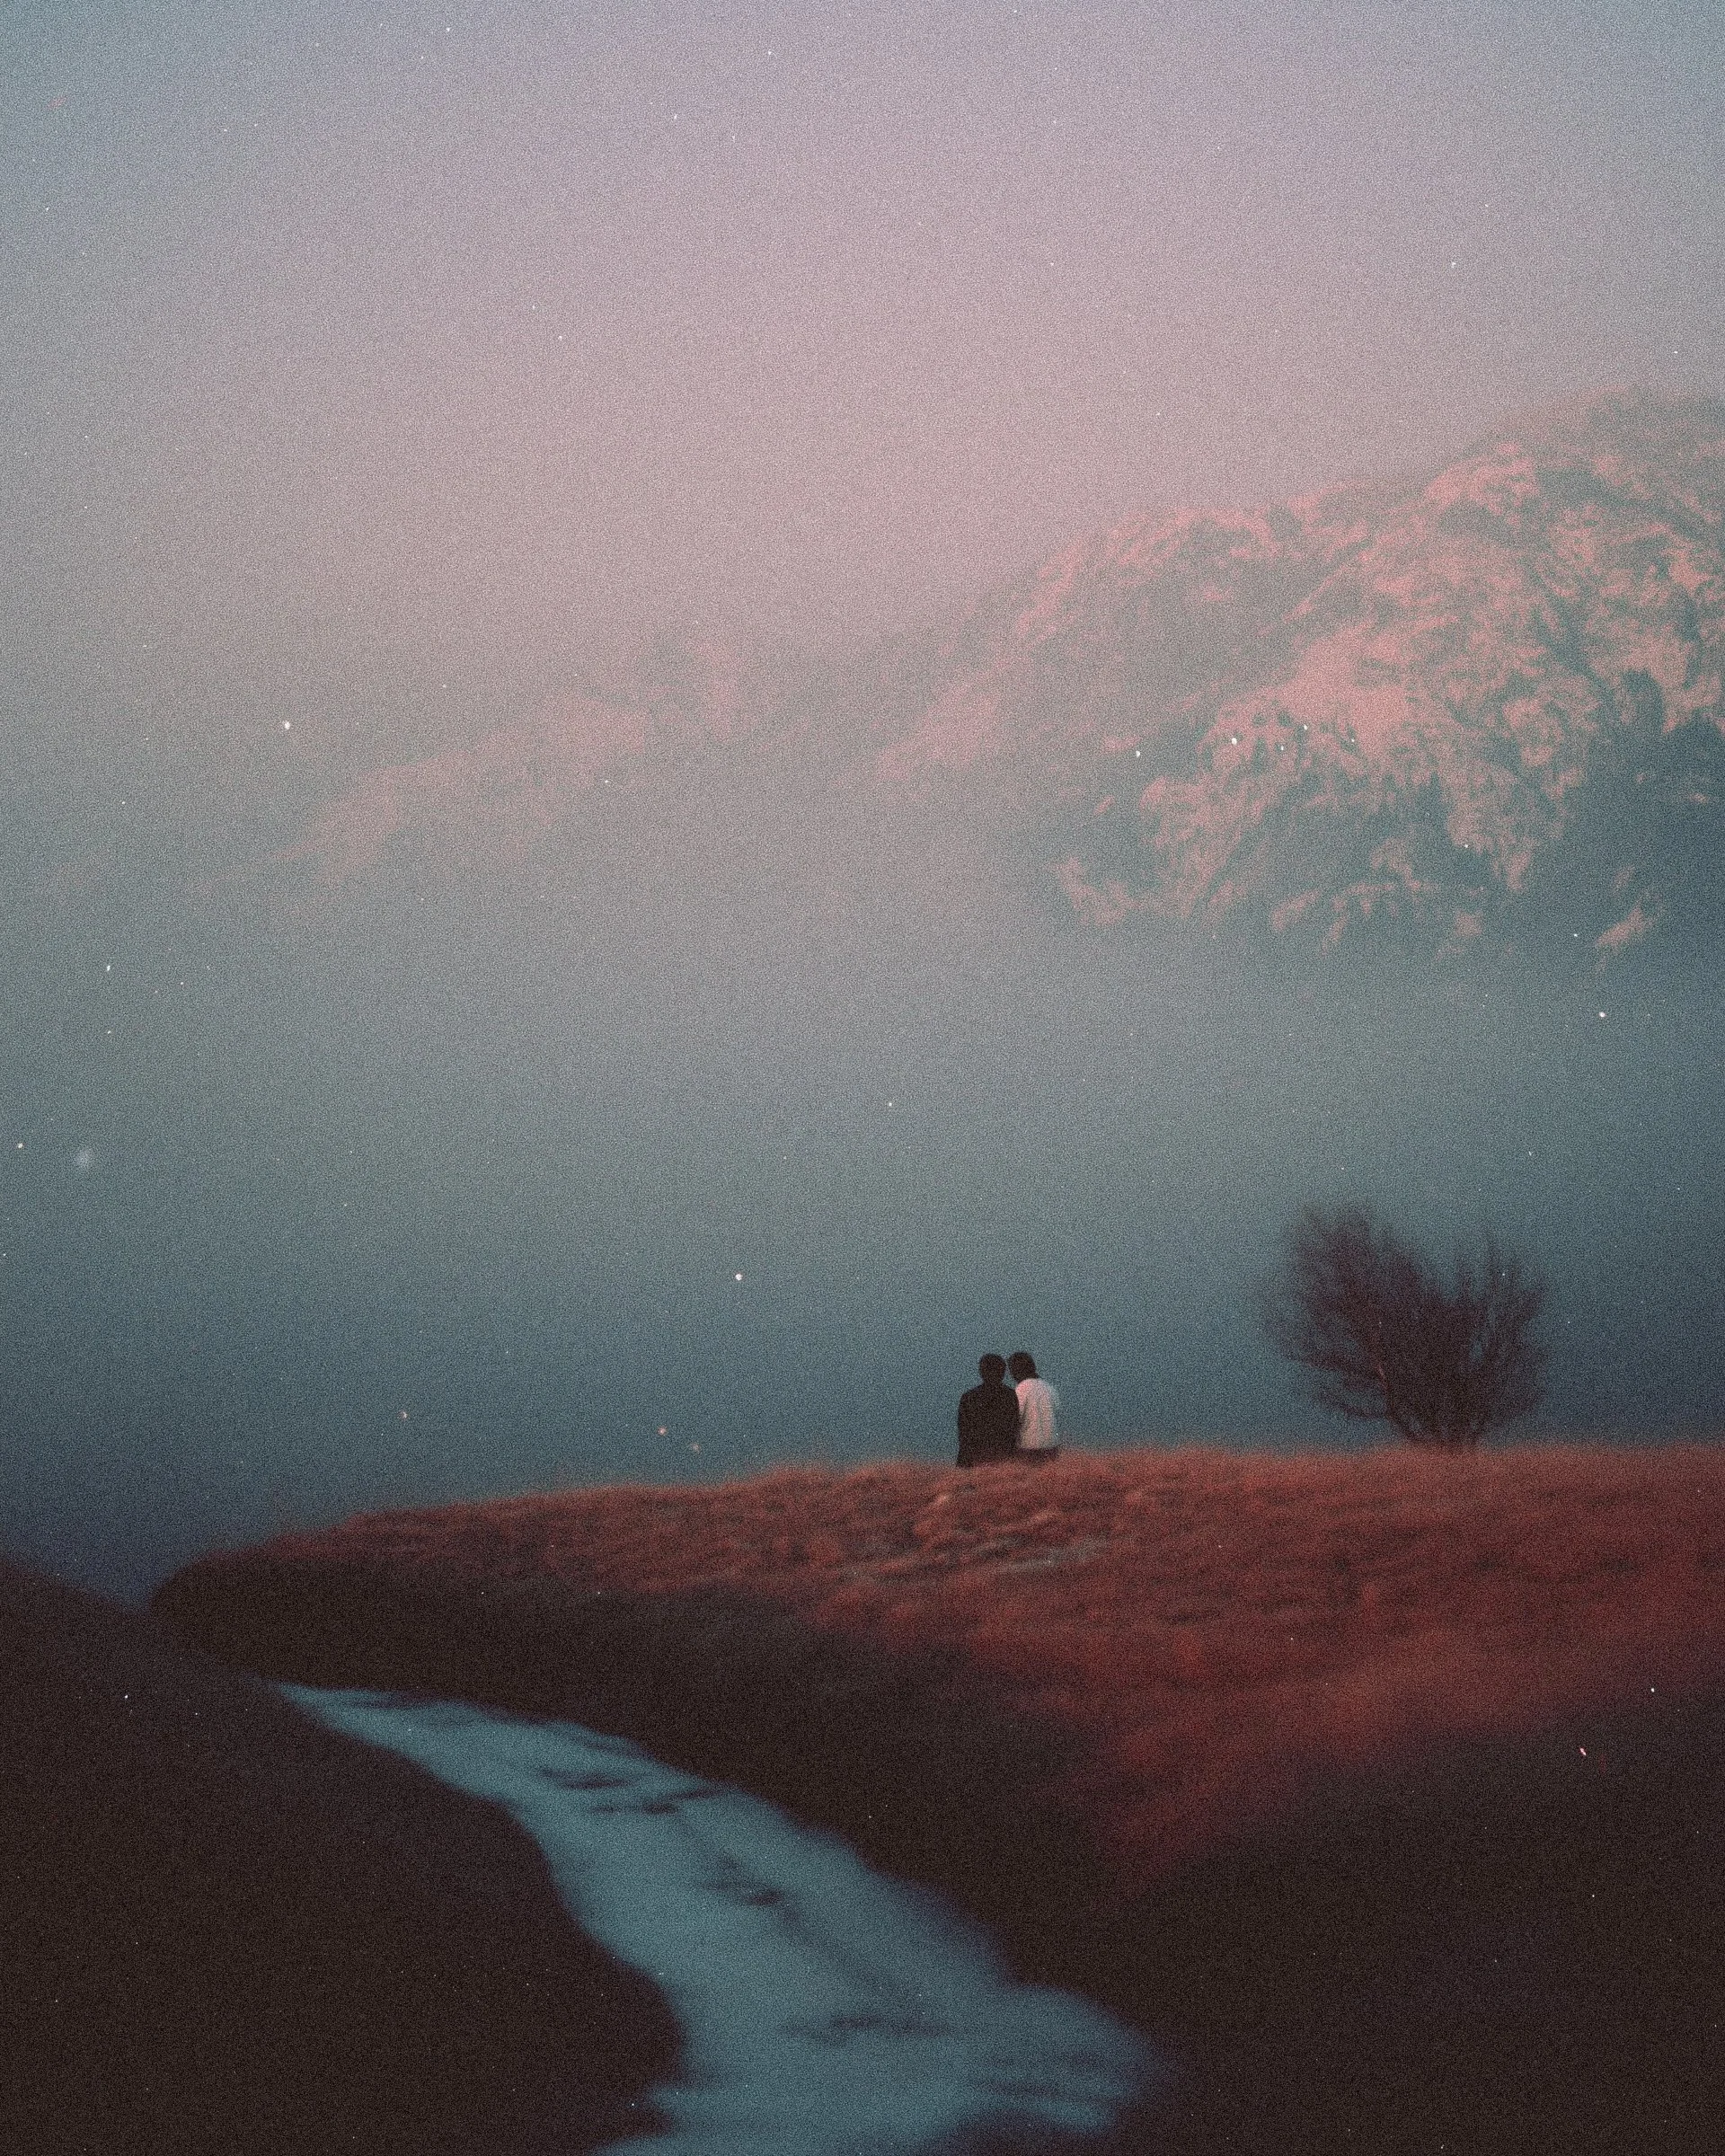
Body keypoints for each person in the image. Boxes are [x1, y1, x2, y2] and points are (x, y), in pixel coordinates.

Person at [956, 1354, 1022, 1467]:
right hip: (1004, 1457)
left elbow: (964, 1433)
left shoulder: (969, 1397)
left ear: (982, 1372)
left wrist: (963, 1462)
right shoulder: (1011, 1395)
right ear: (1003, 1372)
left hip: (975, 1457)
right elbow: (1014, 1428)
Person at [1007, 1350, 1060, 1462]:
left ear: (1016, 1370)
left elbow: (1015, 1419)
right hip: (1052, 1446)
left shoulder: (1020, 1390)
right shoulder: (1049, 1388)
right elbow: (1057, 1412)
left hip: (1028, 1447)